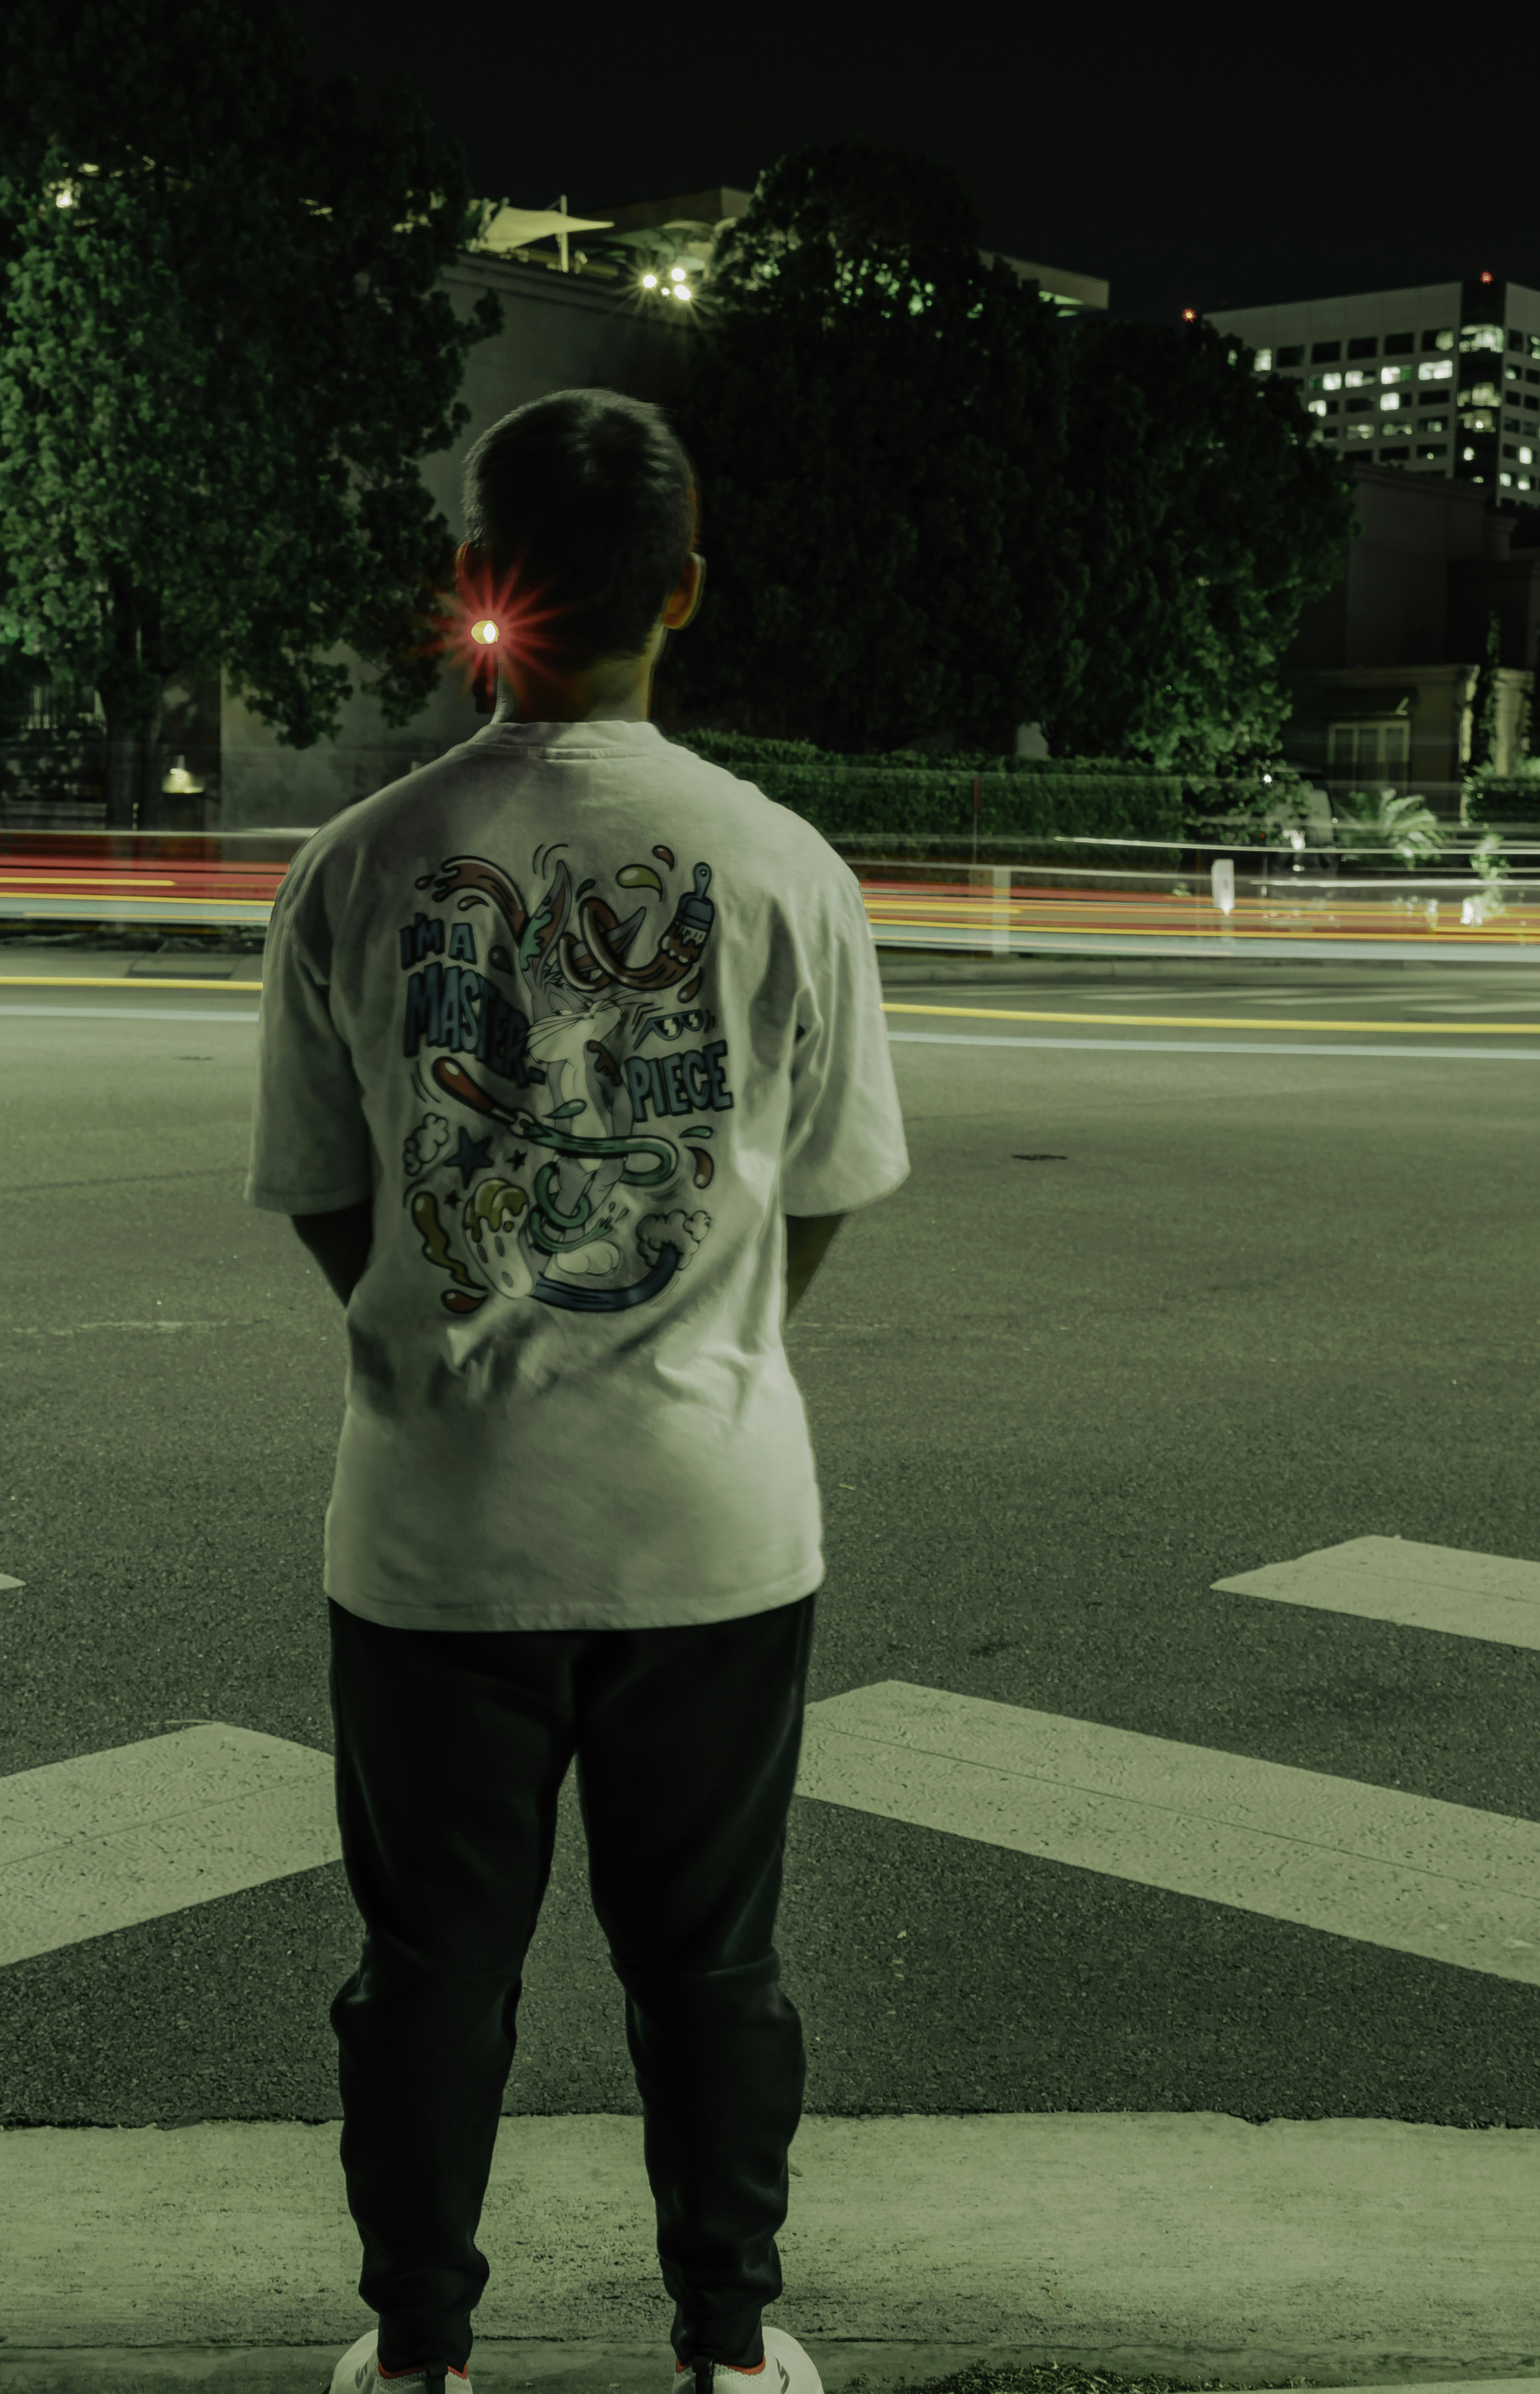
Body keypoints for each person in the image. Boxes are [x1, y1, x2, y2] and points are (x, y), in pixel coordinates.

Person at [243, 387, 912, 2394]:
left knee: (429, 1967)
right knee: (709, 1964)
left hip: (434, 1525)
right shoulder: (784, 866)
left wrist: (450, 1318)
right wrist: (699, 1325)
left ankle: (420, 2355)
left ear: (477, 582)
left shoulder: (358, 864)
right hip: (710, 1518)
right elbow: (823, 1195)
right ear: (683, 594)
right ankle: (726, 2343)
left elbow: (330, 1200)